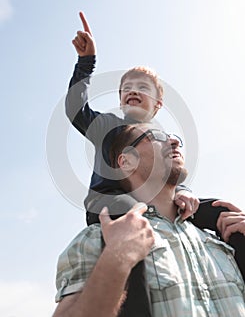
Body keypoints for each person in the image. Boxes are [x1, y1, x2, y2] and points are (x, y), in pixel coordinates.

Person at [53, 124, 245, 317]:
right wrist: (115, 260)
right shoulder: (101, 238)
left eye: (173, 136)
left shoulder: (221, 236)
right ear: (127, 161)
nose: (175, 141)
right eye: (156, 136)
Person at [66, 11, 199, 225]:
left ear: (158, 104)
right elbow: (75, 109)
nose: (133, 91)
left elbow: (173, 172)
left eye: (142, 87)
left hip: (157, 199)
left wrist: (183, 191)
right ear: (121, 101)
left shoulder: (163, 138)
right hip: (111, 202)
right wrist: (86, 62)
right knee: (135, 214)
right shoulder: (107, 125)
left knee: (217, 210)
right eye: (126, 88)